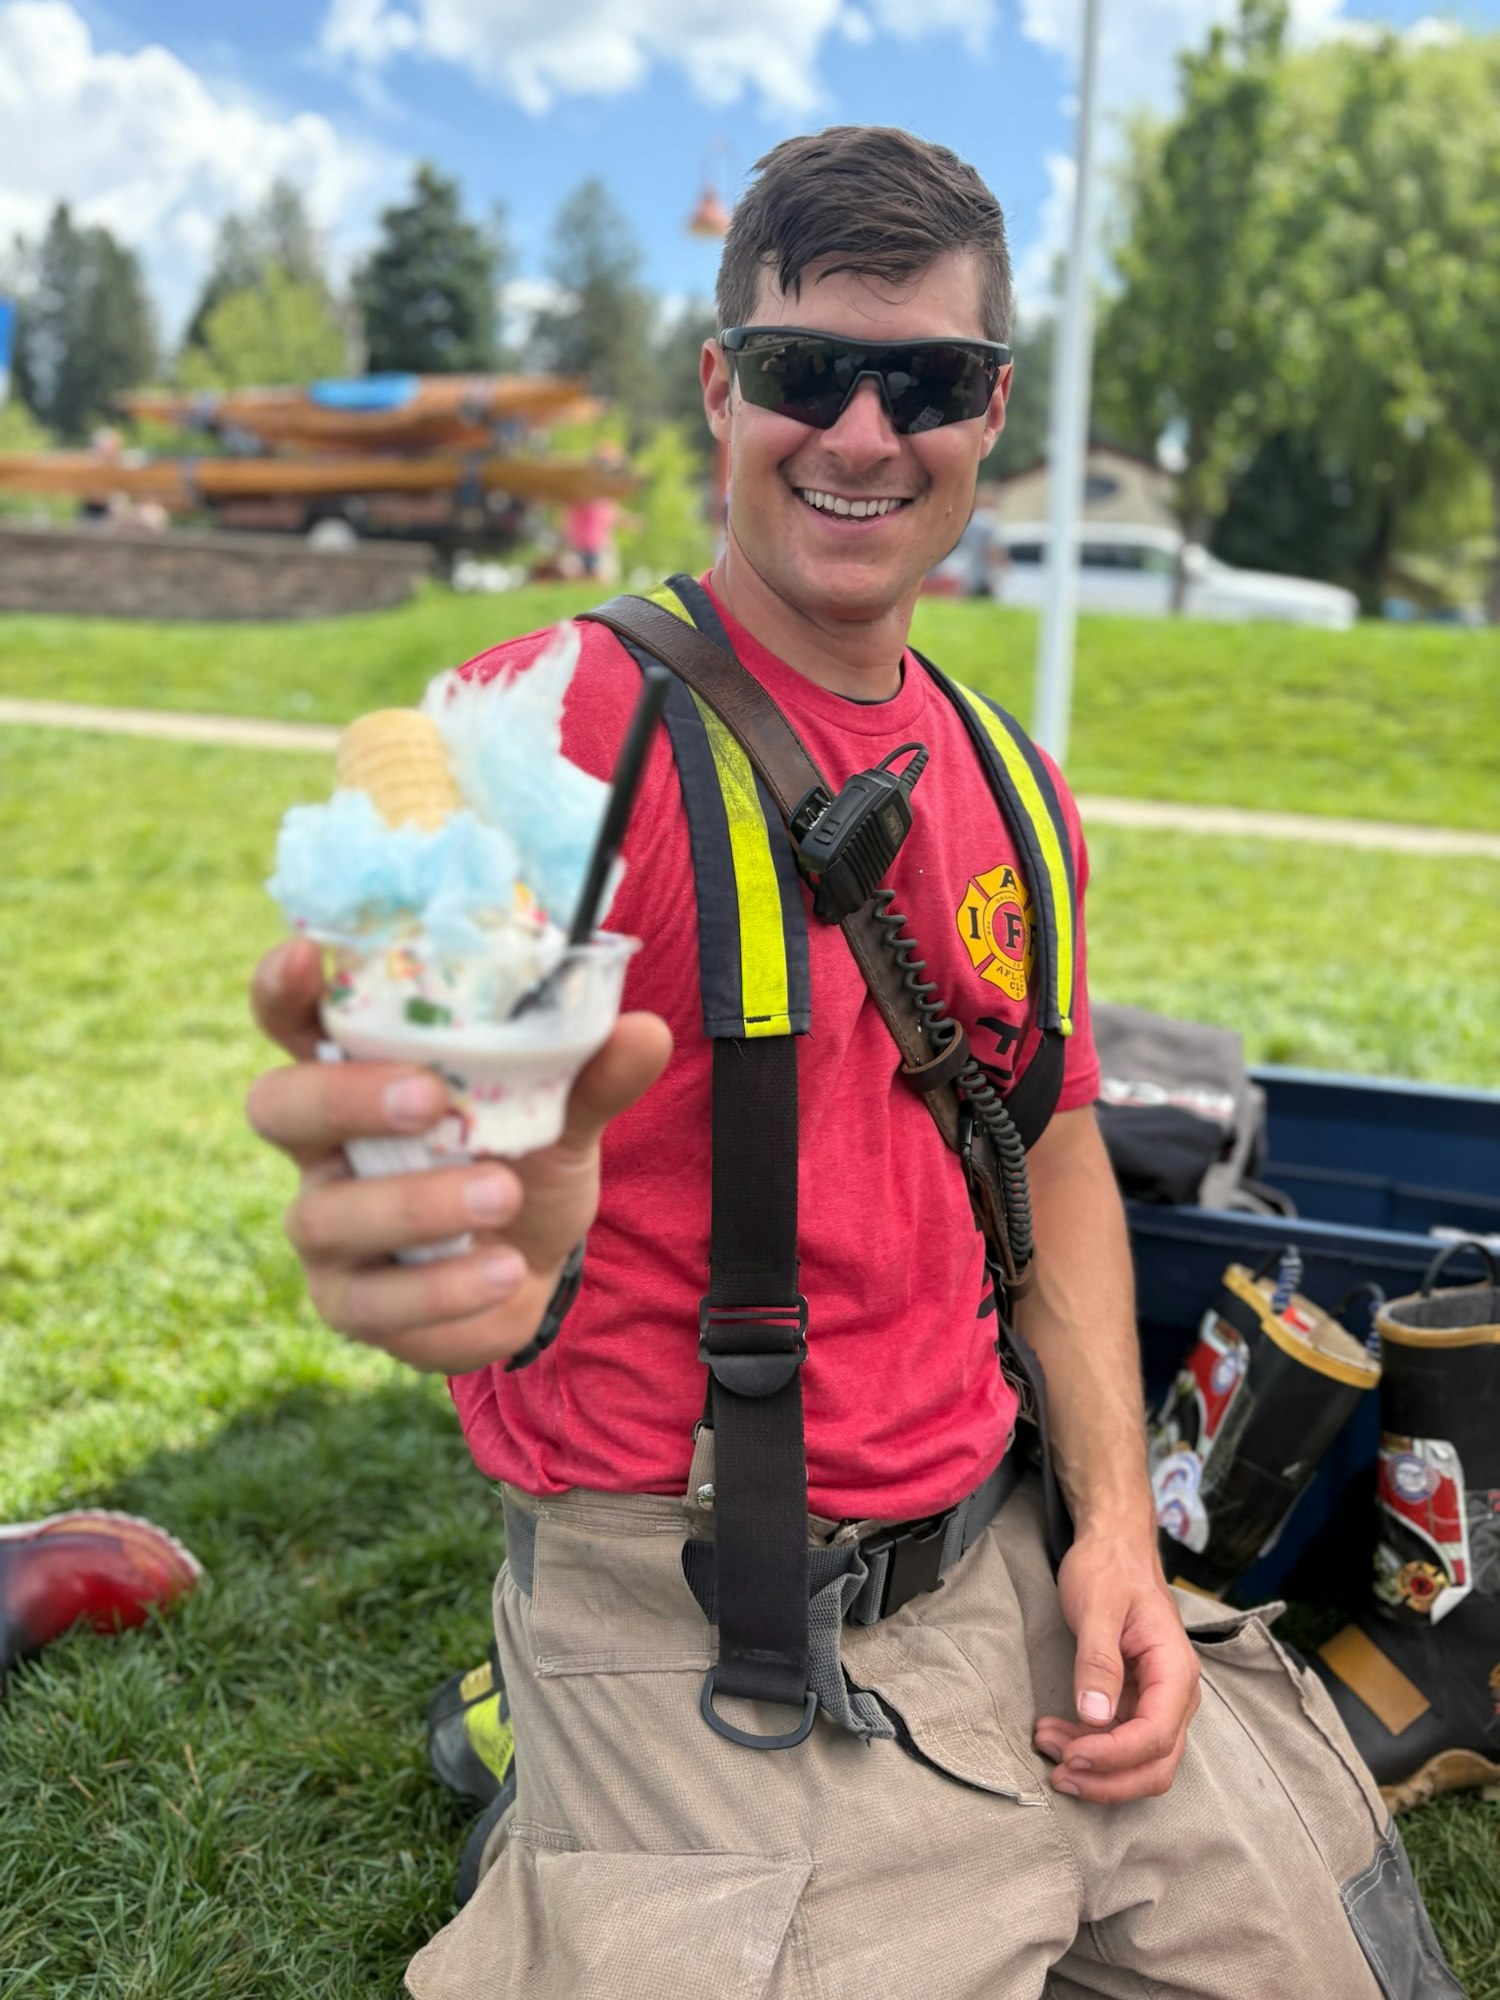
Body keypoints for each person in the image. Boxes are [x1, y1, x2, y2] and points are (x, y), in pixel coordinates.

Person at [246, 127, 1459, 2000]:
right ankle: (557, 1768)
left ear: (990, 418)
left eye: (935, 383)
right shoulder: (562, 727)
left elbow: (1051, 1148)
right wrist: (467, 1228)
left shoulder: (1018, 789)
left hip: (1001, 1557)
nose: (867, 433)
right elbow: (443, 1095)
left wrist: (1119, 1537)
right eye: (812, 371)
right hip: (703, 1603)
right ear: (722, 389)